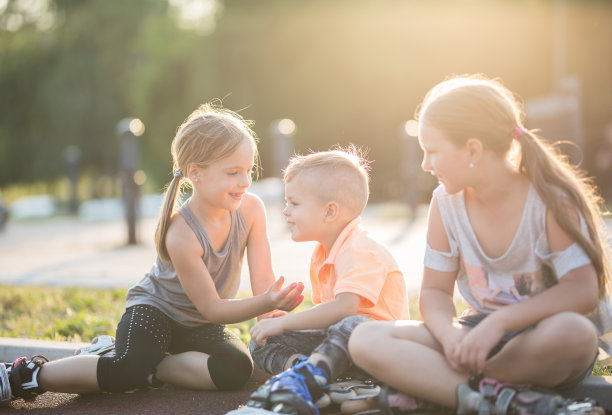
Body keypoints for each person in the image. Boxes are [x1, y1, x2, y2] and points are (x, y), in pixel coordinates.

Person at [0, 102, 304, 403]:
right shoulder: (182, 234)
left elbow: (263, 277)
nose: (245, 181)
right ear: (195, 173)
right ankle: (25, 375)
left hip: (197, 325)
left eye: (248, 170)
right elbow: (212, 307)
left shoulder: (251, 209)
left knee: (236, 369)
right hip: (155, 312)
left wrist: (271, 317)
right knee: (125, 370)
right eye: (233, 172)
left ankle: (152, 366)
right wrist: (265, 301)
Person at [346, 75, 611, 415]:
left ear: (473, 149)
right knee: (366, 339)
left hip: (540, 340)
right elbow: (434, 293)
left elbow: (582, 290)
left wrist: (500, 323)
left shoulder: (548, 202)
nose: (425, 164)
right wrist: (449, 335)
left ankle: (441, 390)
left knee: (576, 334)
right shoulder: (445, 203)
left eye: (432, 151)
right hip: (475, 337)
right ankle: (507, 400)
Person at [231, 147, 409, 415]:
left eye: (295, 203)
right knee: (263, 338)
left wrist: (286, 321)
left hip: (377, 350)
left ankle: (327, 379)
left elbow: (344, 309)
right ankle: (312, 377)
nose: (286, 211)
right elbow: (327, 321)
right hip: (339, 350)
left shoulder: (360, 249)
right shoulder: (324, 253)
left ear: (329, 212)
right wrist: (279, 324)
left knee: (353, 324)